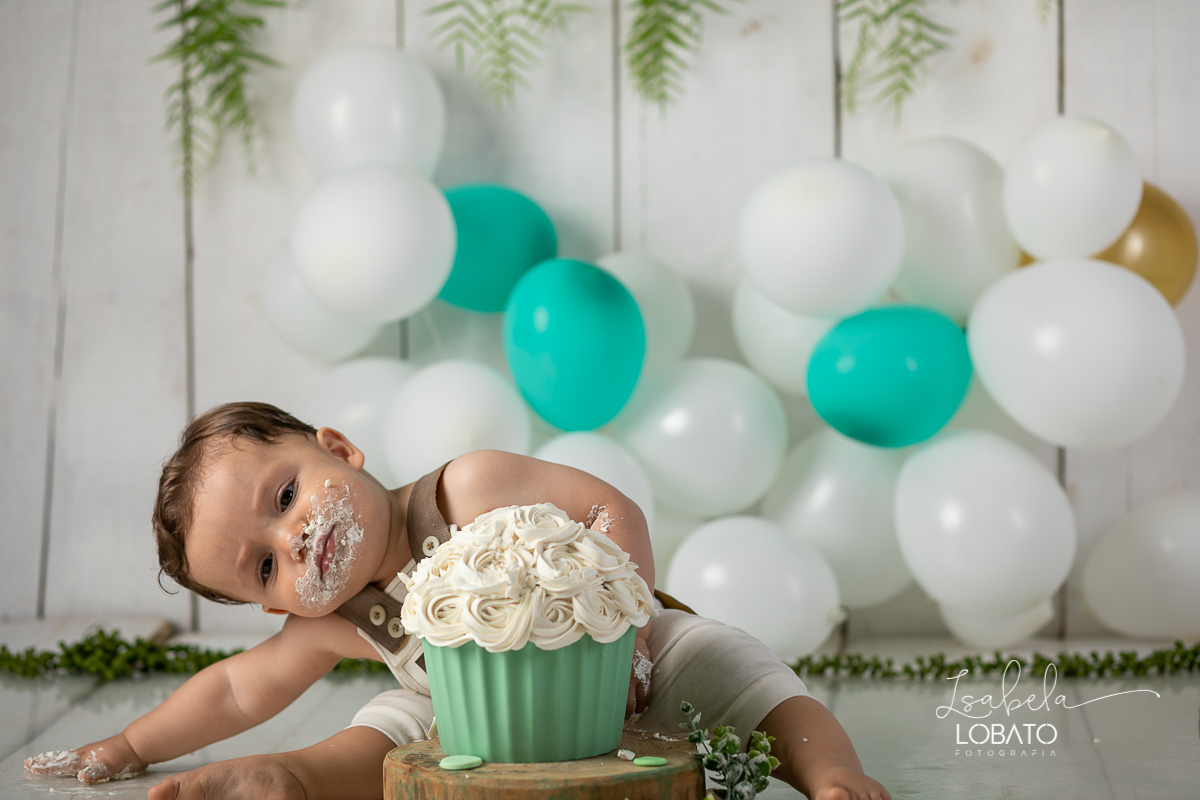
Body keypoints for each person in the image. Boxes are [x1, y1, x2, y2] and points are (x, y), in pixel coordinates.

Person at [25, 402, 891, 800]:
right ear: (273, 607)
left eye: (285, 497)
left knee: (727, 662)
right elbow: (235, 690)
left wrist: (628, 638)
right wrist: (130, 745)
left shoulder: (463, 490)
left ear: (340, 449)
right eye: (262, 568)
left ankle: (829, 772)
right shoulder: (334, 622)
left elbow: (607, 508)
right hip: (487, 724)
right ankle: (294, 780)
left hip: (628, 663)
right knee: (395, 726)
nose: (293, 540)